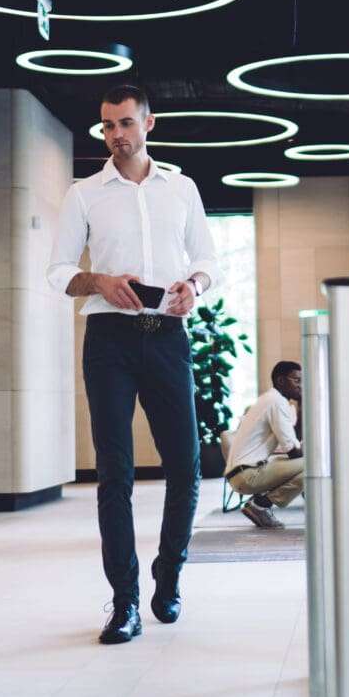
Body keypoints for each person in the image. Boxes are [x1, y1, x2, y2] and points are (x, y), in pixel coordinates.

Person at [47, 83, 217, 645]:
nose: (116, 135)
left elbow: (208, 259)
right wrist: (99, 280)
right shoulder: (84, 194)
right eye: (107, 126)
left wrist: (195, 285)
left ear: (149, 124)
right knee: (114, 473)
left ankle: (168, 576)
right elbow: (57, 272)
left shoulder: (182, 188)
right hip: (110, 340)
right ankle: (124, 603)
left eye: (125, 123)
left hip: (168, 335)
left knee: (187, 466)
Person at [226, 361, 304, 528]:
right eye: (297, 381)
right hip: (247, 475)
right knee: (315, 465)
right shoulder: (277, 402)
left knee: (305, 463)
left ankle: (260, 505)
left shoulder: (270, 399)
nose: (301, 386)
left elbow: (293, 444)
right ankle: (261, 505)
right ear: (281, 381)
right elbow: (294, 452)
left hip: (241, 473)